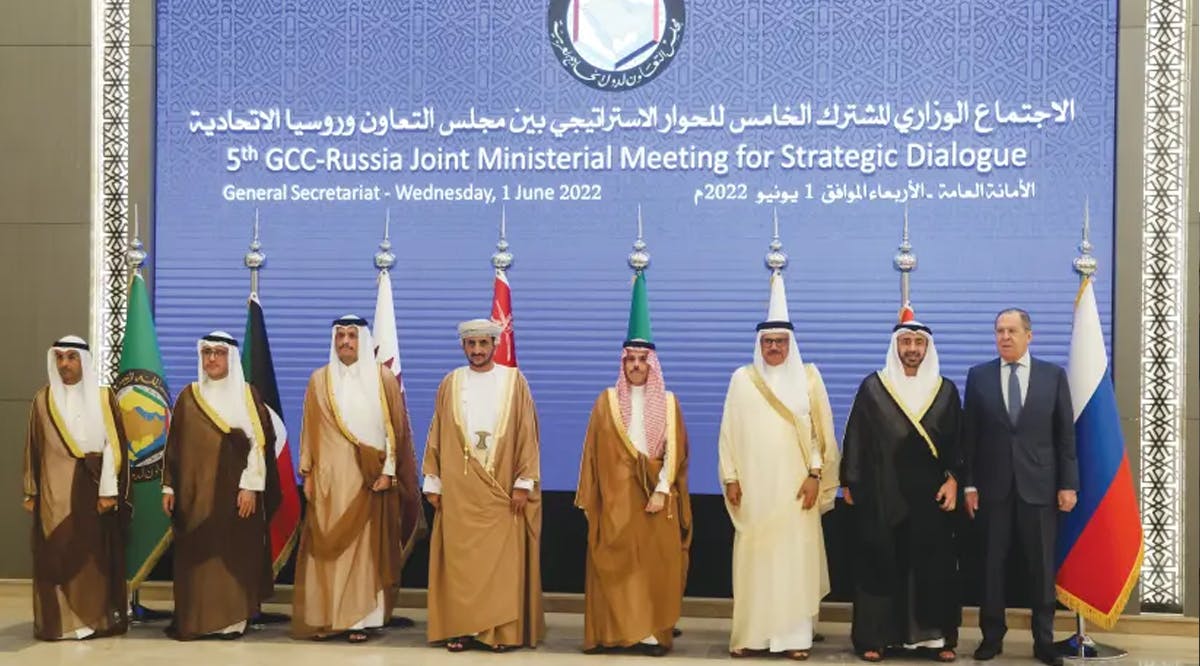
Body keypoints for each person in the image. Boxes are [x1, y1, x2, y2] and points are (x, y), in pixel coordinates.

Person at [718, 274, 839, 660]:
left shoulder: (808, 379)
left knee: (792, 562)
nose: (774, 348)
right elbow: (728, 434)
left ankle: (794, 639)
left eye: (780, 342)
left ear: (791, 344)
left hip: (795, 491)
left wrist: (815, 476)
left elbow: (821, 434)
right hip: (754, 491)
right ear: (759, 344)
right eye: (768, 342)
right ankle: (751, 636)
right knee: (755, 561)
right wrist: (731, 478)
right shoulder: (742, 379)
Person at [575, 271, 692, 656]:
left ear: (652, 364)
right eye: (631, 359)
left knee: (652, 571)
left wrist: (661, 491)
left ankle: (650, 636)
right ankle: (611, 635)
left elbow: (675, 452)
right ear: (623, 363)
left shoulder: (670, 401)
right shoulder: (606, 400)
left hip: (654, 501)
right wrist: (596, 500)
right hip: (614, 503)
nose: (637, 365)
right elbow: (592, 455)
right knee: (613, 568)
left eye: (644, 359)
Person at [292, 315, 421, 642]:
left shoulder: (383, 379)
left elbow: (397, 431)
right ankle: (326, 617)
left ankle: (360, 621)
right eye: (340, 336)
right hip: (327, 482)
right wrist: (306, 472)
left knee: (365, 553)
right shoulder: (318, 380)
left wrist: (389, 472)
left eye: (352, 335)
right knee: (325, 551)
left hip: (369, 480)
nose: (345, 342)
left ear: (362, 340)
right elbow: (309, 430)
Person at [841, 316, 963, 662]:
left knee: (931, 568)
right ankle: (874, 639)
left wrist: (955, 479)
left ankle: (935, 639)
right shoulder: (874, 386)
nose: (912, 349)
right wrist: (850, 481)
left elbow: (959, 444)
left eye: (918, 343)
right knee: (880, 564)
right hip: (882, 495)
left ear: (928, 347)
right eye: (906, 343)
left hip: (930, 499)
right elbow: (856, 439)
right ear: (895, 347)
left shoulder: (946, 390)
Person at [962, 308, 1078, 666]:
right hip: (993, 489)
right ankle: (991, 638)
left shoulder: (1053, 376)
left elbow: (1065, 436)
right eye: (999, 331)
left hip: (1040, 488)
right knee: (991, 567)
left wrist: (1068, 484)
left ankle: (1043, 641)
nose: (1004, 337)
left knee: (1041, 568)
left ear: (1030, 335)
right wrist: (968, 485)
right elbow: (970, 437)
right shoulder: (978, 376)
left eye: (1012, 330)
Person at [424, 318, 545, 651]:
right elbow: (437, 432)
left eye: (483, 344)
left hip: (503, 488)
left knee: (500, 565)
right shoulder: (450, 382)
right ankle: (462, 628)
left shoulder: (513, 381)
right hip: (460, 491)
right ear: (463, 346)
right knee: (462, 566)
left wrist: (524, 482)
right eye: (471, 344)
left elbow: (526, 434)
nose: (477, 350)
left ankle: (499, 633)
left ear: (495, 344)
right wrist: (433, 480)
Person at [161, 331, 277, 639]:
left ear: (231, 357)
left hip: (234, 494)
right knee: (197, 563)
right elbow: (174, 445)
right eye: (207, 352)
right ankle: (197, 620)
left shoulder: (247, 395)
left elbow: (258, 443)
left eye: (219, 352)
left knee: (232, 557)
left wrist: (251, 486)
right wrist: (169, 486)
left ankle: (231, 622)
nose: (212, 358)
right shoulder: (189, 396)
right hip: (192, 497)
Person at [23, 336, 129, 640]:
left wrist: (108, 491)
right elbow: (33, 448)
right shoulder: (42, 399)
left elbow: (114, 447)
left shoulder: (104, 397)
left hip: (93, 490)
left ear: (84, 360)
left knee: (90, 556)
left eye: (71, 357)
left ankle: (91, 620)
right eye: (60, 358)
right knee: (56, 556)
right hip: (54, 495)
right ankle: (60, 623)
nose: (65, 364)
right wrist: (31, 490)